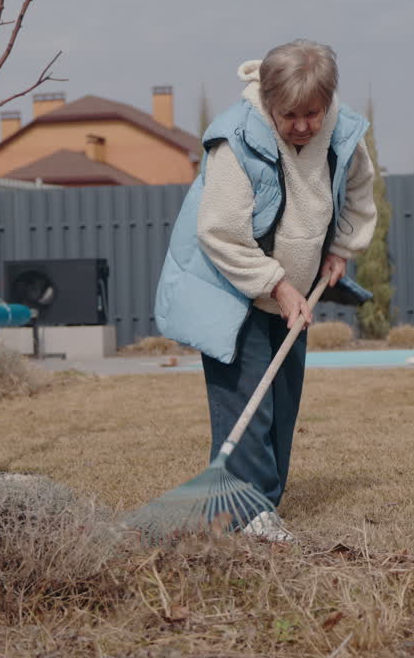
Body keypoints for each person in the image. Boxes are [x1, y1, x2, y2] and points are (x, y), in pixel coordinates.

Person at [154, 40, 378, 542]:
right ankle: (245, 515)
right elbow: (220, 233)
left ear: (328, 102)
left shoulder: (343, 132)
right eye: (289, 115)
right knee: (246, 404)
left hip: (295, 293)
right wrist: (276, 284)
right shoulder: (236, 140)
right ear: (269, 101)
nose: (302, 126)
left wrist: (341, 248)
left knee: (280, 402)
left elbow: (360, 192)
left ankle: (256, 509)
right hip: (232, 288)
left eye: (312, 114)